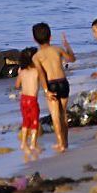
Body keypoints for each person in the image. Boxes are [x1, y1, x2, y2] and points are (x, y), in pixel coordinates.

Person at [32, 22, 75, 153]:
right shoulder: (57, 49)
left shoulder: (36, 56)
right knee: (63, 114)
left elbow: (42, 75)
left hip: (51, 84)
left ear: (34, 39)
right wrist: (67, 46)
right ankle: (65, 142)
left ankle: (60, 143)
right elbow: (72, 59)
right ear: (50, 37)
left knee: (55, 117)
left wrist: (46, 90)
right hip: (63, 82)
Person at [15, 47, 44, 153]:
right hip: (32, 100)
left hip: (23, 99)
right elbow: (44, 82)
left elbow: (17, 85)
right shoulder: (37, 71)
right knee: (35, 121)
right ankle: (33, 144)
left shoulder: (22, 72)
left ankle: (23, 144)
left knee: (26, 121)